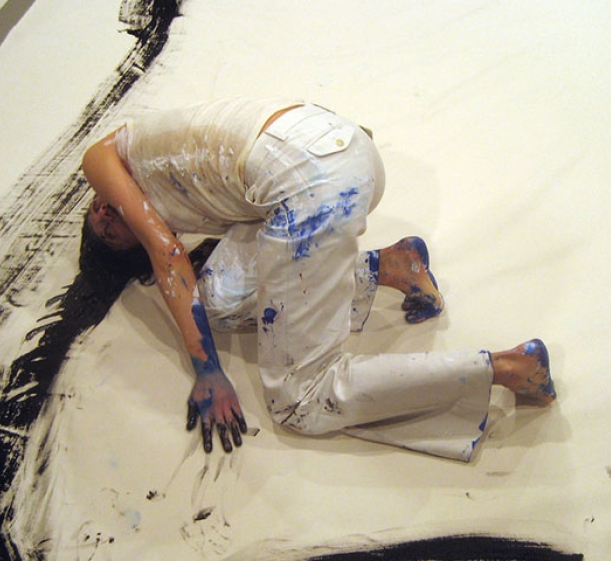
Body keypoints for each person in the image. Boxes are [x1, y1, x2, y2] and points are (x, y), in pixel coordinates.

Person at [81, 98, 556, 456]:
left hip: (315, 184)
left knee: (300, 402)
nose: (103, 214)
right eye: (111, 235)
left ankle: (507, 367)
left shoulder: (100, 159)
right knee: (219, 300)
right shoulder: (161, 162)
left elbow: (167, 255)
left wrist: (208, 371)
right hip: (347, 151)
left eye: (98, 214)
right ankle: (392, 266)